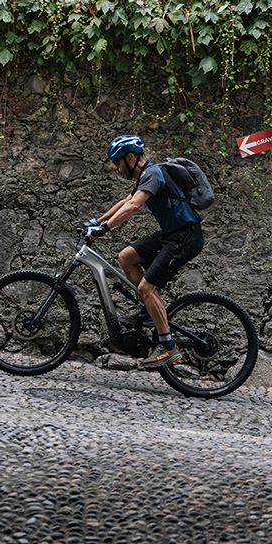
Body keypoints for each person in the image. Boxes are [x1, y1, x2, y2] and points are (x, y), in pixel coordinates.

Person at [84, 135, 204, 369]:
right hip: (172, 234)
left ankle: (168, 348)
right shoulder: (145, 177)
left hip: (185, 237)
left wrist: (105, 228)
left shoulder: (153, 173)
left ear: (130, 158)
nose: (116, 168)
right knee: (126, 257)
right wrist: (96, 221)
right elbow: (125, 200)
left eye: (117, 163)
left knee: (147, 288)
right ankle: (149, 311)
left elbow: (133, 206)